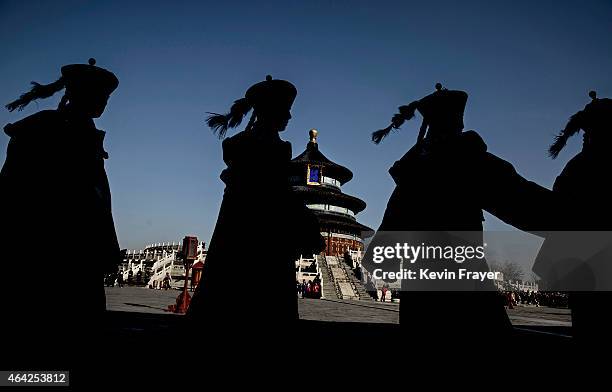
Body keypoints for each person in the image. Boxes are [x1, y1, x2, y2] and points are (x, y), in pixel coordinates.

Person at [0, 58, 121, 372]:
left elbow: (98, 201)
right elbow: (12, 189)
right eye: (99, 96)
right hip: (43, 248)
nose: (103, 103)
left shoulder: (87, 135)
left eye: (106, 98)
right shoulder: (41, 129)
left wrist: (106, 246)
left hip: (81, 251)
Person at [366, 83, 512, 340]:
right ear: (458, 123)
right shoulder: (466, 159)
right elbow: (520, 198)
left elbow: (392, 220)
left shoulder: (415, 170)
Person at [187, 76, 325, 341]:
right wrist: (307, 223)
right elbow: (277, 193)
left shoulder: (239, 145)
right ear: (271, 112)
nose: (289, 117)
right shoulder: (275, 148)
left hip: (236, 229)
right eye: (285, 111)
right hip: (265, 232)